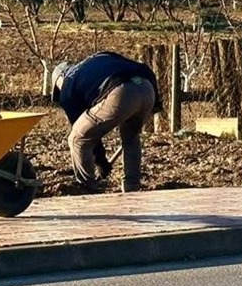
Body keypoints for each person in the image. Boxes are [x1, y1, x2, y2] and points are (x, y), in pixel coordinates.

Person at [51, 51, 160, 193]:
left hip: (121, 92)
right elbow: (143, 68)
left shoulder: (67, 87)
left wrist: (101, 163)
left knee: (77, 139)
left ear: (60, 78)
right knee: (130, 136)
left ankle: (87, 188)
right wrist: (156, 102)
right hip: (146, 87)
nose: (60, 92)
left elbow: (88, 137)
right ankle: (132, 187)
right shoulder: (100, 56)